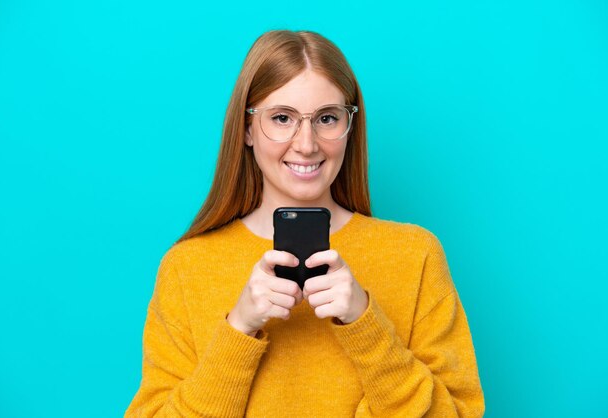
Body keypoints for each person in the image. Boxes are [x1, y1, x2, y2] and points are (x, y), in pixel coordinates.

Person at [125, 30, 485, 417]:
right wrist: (239, 328)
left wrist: (366, 322)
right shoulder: (186, 268)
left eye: (327, 118)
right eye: (282, 118)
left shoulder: (415, 256)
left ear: (350, 126)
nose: (307, 144)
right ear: (246, 128)